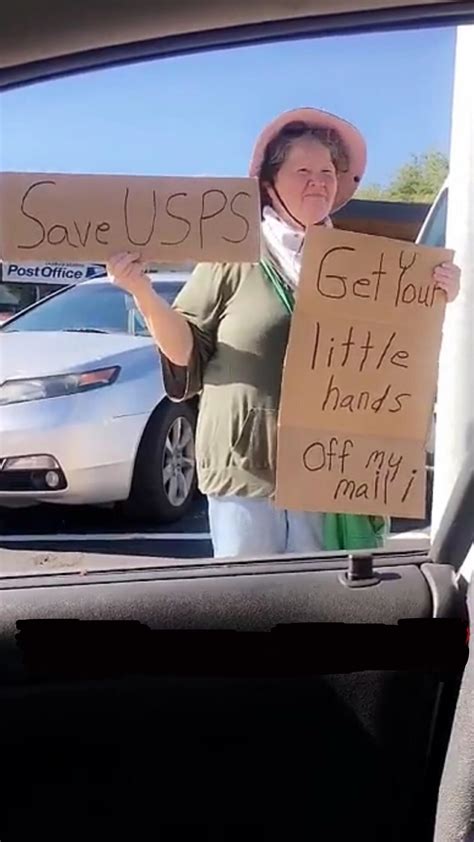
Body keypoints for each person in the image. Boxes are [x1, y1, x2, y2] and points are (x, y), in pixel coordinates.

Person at [107, 107, 461, 558]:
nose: (319, 181)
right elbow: (184, 351)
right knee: (249, 607)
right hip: (248, 469)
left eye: (328, 171)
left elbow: (392, 355)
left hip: (332, 470)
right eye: (304, 170)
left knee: (321, 604)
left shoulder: (364, 267)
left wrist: (435, 295)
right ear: (270, 184)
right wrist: (142, 291)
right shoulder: (232, 256)